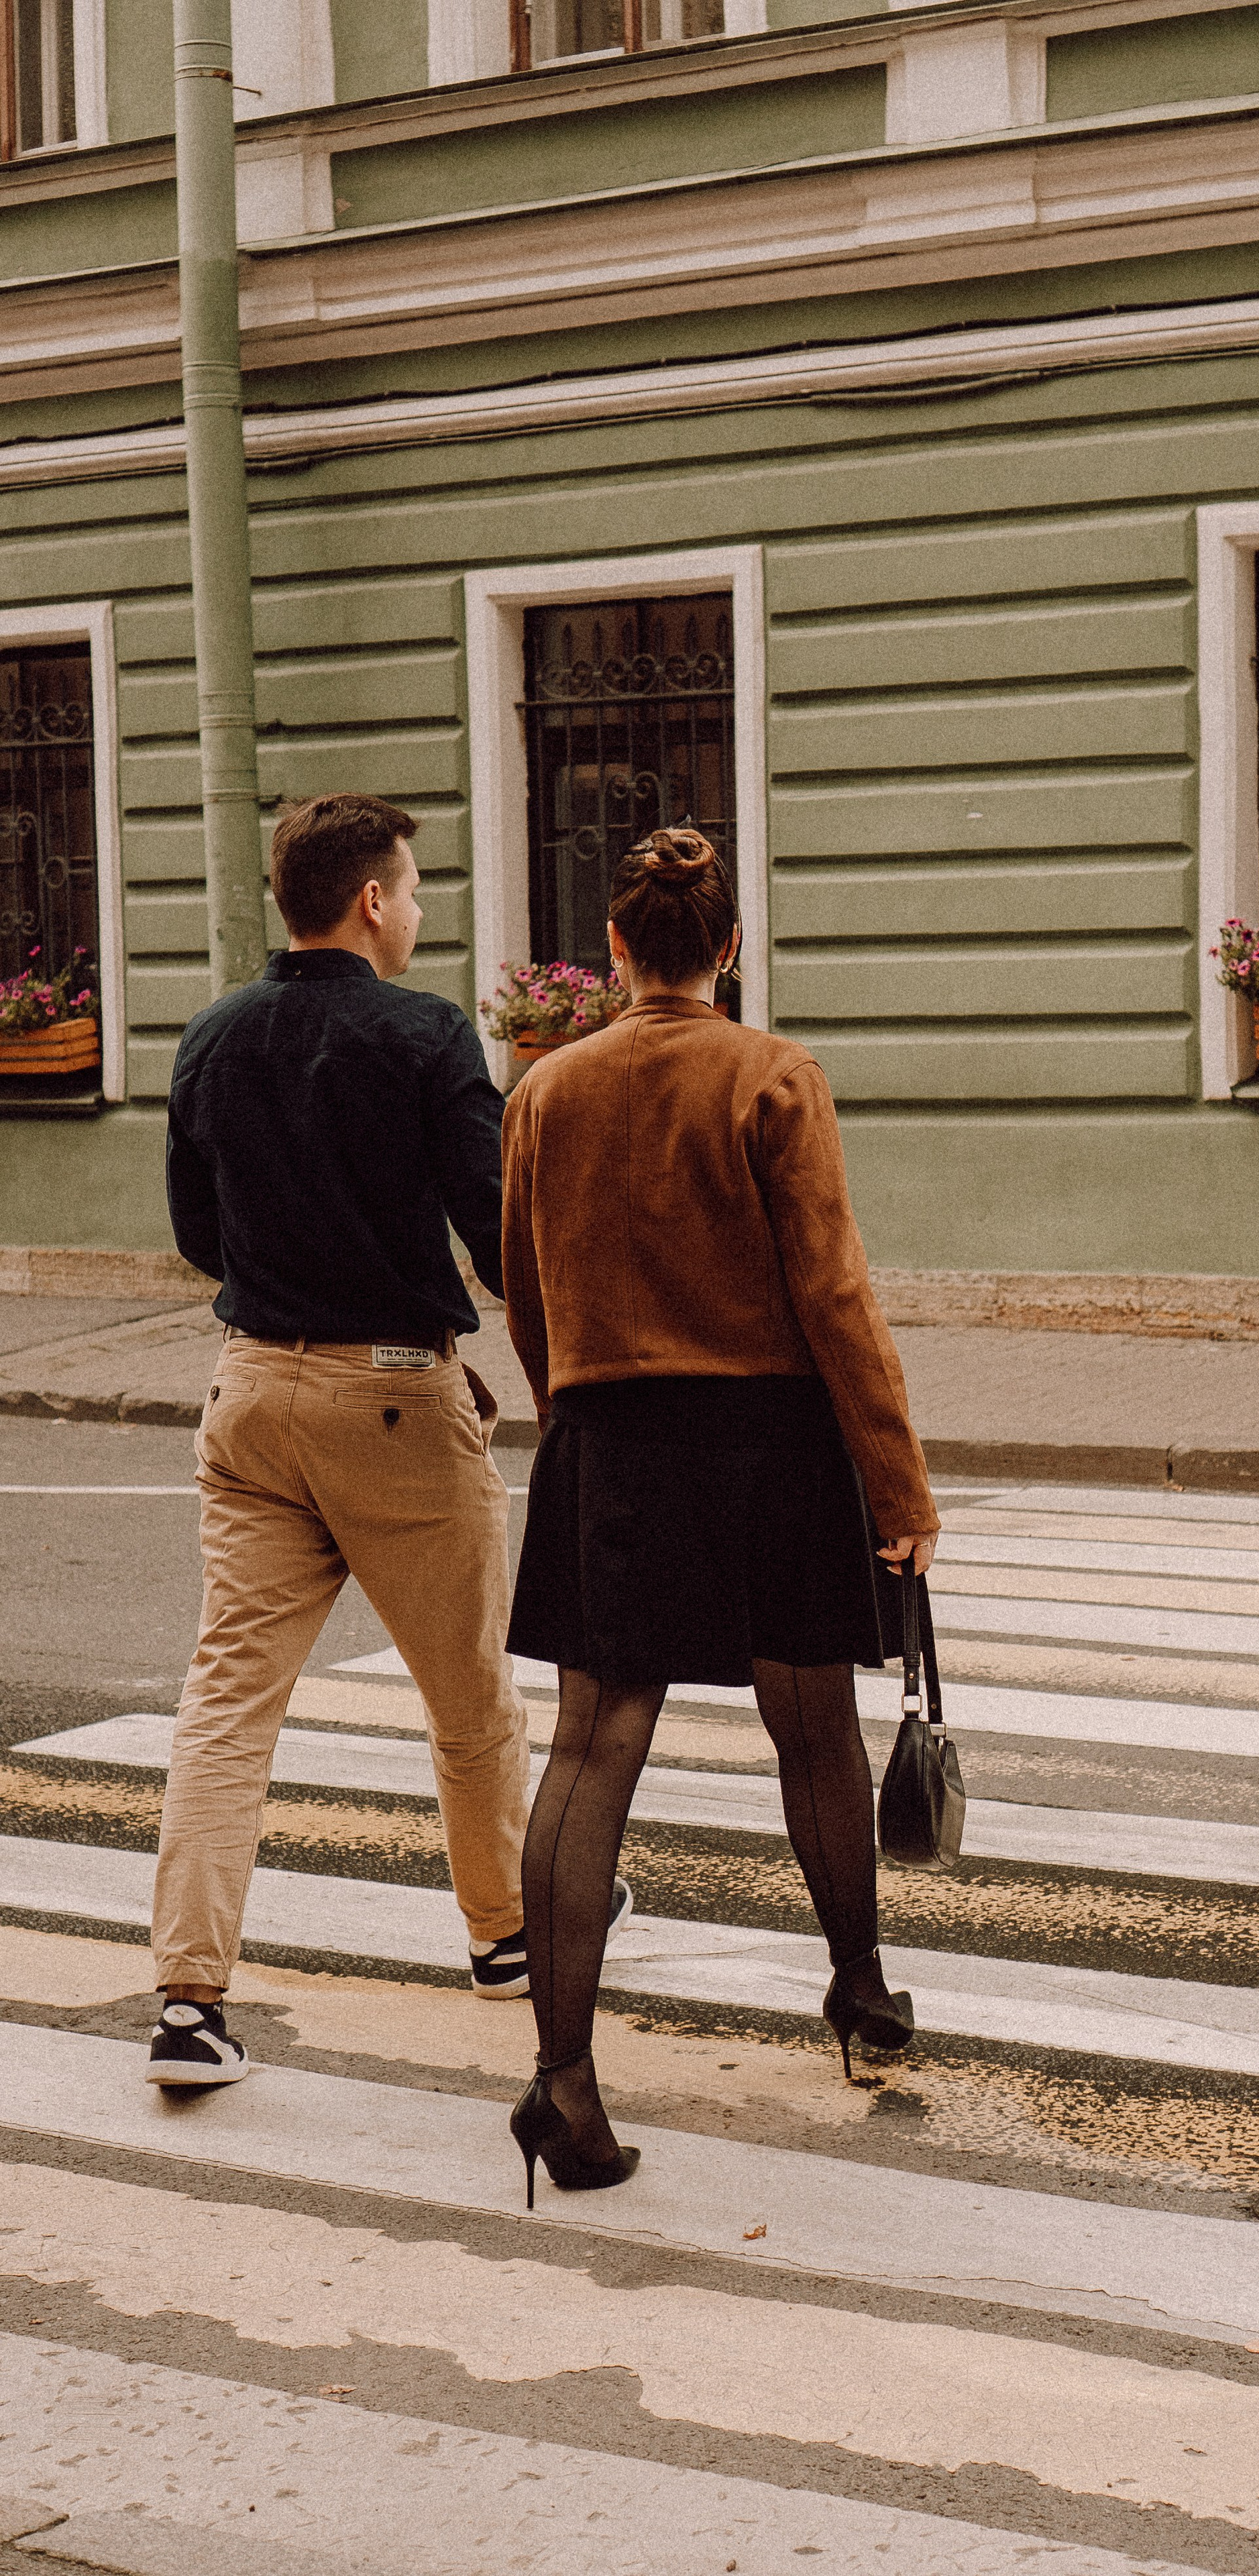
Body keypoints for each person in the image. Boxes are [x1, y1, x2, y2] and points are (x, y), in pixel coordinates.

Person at [500, 824, 940, 2202]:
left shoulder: (545, 1088)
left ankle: (563, 2078)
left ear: (613, 950)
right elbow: (833, 1294)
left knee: (591, 1749)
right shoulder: (773, 1075)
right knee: (812, 1723)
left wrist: (576, 1413)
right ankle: (858, 1985)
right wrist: (897, 1482)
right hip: (774, 1446)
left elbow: (525, 1288)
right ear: (731, 949)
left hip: (613, 1443)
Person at [148, 794, 615, 2086]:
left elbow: (197, 1236)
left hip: (250, 1395)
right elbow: (496, 1228)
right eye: (409, 890)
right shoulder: (423, 1032)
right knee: (469, 1698)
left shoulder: (211, 1035)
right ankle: (504, 1935)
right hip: (399, 1396)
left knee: (227, 1706)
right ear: (370, 901)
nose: (414, 910)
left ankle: (187, 2004)